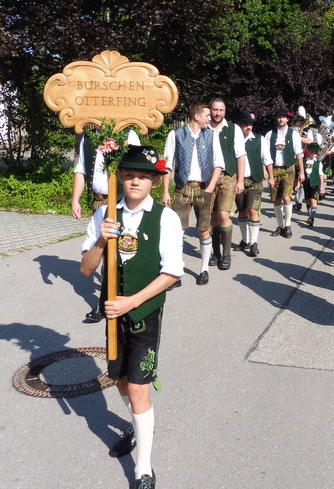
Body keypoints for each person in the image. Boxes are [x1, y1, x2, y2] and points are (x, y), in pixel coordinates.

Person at [80, 145, 183, 489]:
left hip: (144, 312)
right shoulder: (105, 214)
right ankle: (139, 426)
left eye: (142, 176)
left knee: (139, 387)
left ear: (154, 180)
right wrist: (101, 241)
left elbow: (172, 273)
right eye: (128, 175)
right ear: (120, 177)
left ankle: (144, 468)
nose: (135, 181)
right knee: (121, 381)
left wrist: (132, 302)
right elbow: (86, 269)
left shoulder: (165, 218)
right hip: (114, 315)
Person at [71, 125, 141, 322]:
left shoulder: (128, 134)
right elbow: (81, 169)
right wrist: (75, 199)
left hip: (120, 201)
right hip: (98, 201)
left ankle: (117, 300)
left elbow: (137, 169)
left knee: (119, 251)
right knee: (101, 250)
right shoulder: (88, 137)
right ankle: (107, 301)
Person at [162, 102, 224, 285]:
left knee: (204, 229)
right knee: (177, 231)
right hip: (182, 188)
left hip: (203, 188)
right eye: (207, 115)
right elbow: (167, 165)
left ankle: (204, 269)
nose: (210, 118)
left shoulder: (212, 135)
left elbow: (219, 164)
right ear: (197, 116)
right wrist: (165, 191)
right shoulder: (175, 135)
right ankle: (176, 271)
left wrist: (210, 187)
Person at [208, 97, 246, 271]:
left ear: (225, 111)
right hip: (209, 178)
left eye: (221, 110)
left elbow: (240, 155)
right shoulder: (204, 128)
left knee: (224, 215)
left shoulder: (233, 129)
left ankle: (226, 255)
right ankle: (215, 253)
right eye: (215, 110)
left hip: (228, 177)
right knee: (212, 217)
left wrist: (240, 180)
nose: (218, 113)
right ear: (210, 110)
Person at [234, 109, 273, 256]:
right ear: (240, 125)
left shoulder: (259, 139)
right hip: (239, 181)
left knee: (253, 210)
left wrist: (271, 176)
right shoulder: (234, 140)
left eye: (250, 124)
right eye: (245, 124)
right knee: (242, 211)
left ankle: (254, 242)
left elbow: (267, 159)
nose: (248, 127)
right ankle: (245, 240)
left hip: (255, 179)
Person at [265, 109, 305, 238]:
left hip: (289, 168)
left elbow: (299, 154)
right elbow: (265, 155)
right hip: (274, 169)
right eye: (279, 117)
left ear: (287, 119)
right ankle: (280, 225)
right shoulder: (270, 134)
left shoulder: (293, 134)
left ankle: (288, 225)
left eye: (283, 117)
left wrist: (302, 172)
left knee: (286, 197)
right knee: (276, 199)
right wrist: (265, 171)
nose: (281, 119)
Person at [302, 142, 326, 226]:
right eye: (313, 152)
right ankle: (310, 216)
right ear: (309, 151)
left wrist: (322, 187)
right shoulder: (304, 162)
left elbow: (321, 175)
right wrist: (298, 184)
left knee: (313, 200)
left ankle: (312, 218)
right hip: (306, 183)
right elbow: (301, 173)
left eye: (316, 153)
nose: (314, 154)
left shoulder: (318, 163)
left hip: (315, 183)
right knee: (308, 201)